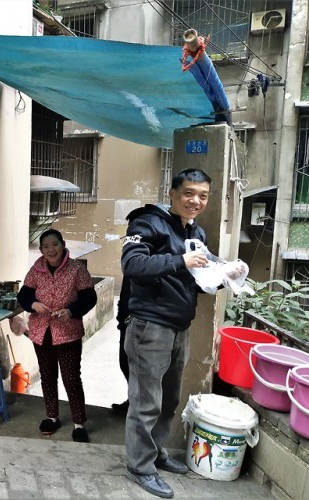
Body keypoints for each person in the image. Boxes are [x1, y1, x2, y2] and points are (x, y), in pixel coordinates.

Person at [121, 168, 213, 498]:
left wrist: (221, 275)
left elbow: (191, 278)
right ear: (173, 194)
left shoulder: (195, 232)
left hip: (179, 328)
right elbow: (132, 266)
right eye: (189, 193)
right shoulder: (148, 223)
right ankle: (139, 466)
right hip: (150, 327)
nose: (195, 201)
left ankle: (156, 453)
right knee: (146, 403)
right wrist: (181, 260)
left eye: (203, 195)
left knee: (170, 400)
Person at [17, 228, 97, 443]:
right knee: (47, 376)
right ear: (41, 250)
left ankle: (79, 423)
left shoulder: (76, 269)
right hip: (42, 332)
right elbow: (24, 293)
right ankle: (51, 417)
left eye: (55, 244)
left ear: (62, 245)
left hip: (68, 332)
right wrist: (33, 304)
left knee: (71, 378)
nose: (51, 250)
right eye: (46, 246)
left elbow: (89, 297)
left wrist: (71, 311)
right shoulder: (36, 269)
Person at [111, 274, 130, 414]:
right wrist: (120, 316)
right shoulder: (132, 262)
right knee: (124, 363)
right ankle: (133, 401)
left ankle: (137, 406)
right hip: (126, 323)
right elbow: (125, 294)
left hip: (142, 324)